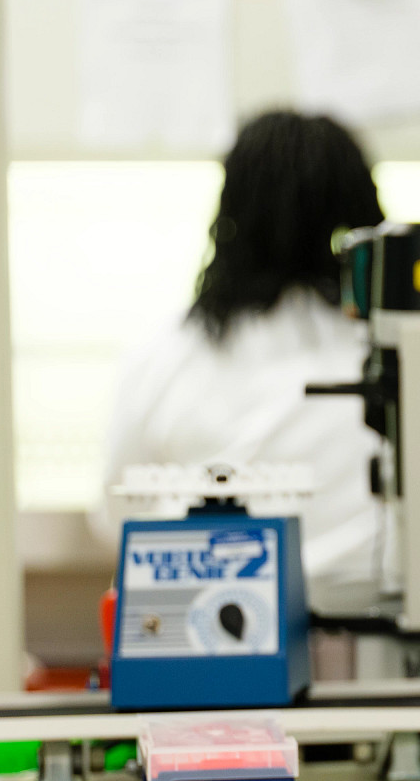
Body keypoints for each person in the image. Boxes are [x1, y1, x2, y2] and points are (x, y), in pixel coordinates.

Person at [103, 109, 386, 582]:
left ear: (231, 213)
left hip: (204, 632)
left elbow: (118, 516)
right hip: (381, 639)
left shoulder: (164, 358)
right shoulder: (408, 360)